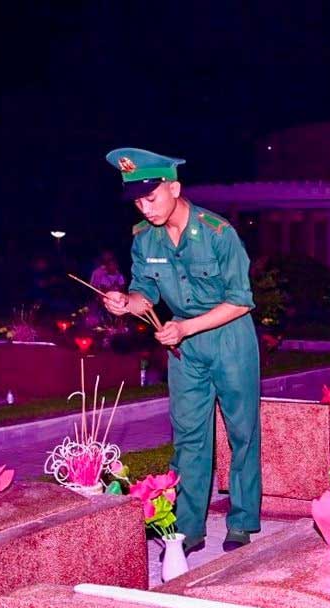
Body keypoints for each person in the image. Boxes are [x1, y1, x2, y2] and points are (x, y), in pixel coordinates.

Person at [101, 147, 261, 555]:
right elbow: (146, 293)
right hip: (182, 349)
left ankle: (241, 521)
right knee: (189, 435)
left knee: (241, 432)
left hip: (229, 338)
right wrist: (127, 302)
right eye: (137, 200)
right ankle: (188, 527)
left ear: (174, 187)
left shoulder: (219, 233)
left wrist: (185, 327)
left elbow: (241, 301)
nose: (144, 207)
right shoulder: (144, 238)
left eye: (150, 197)